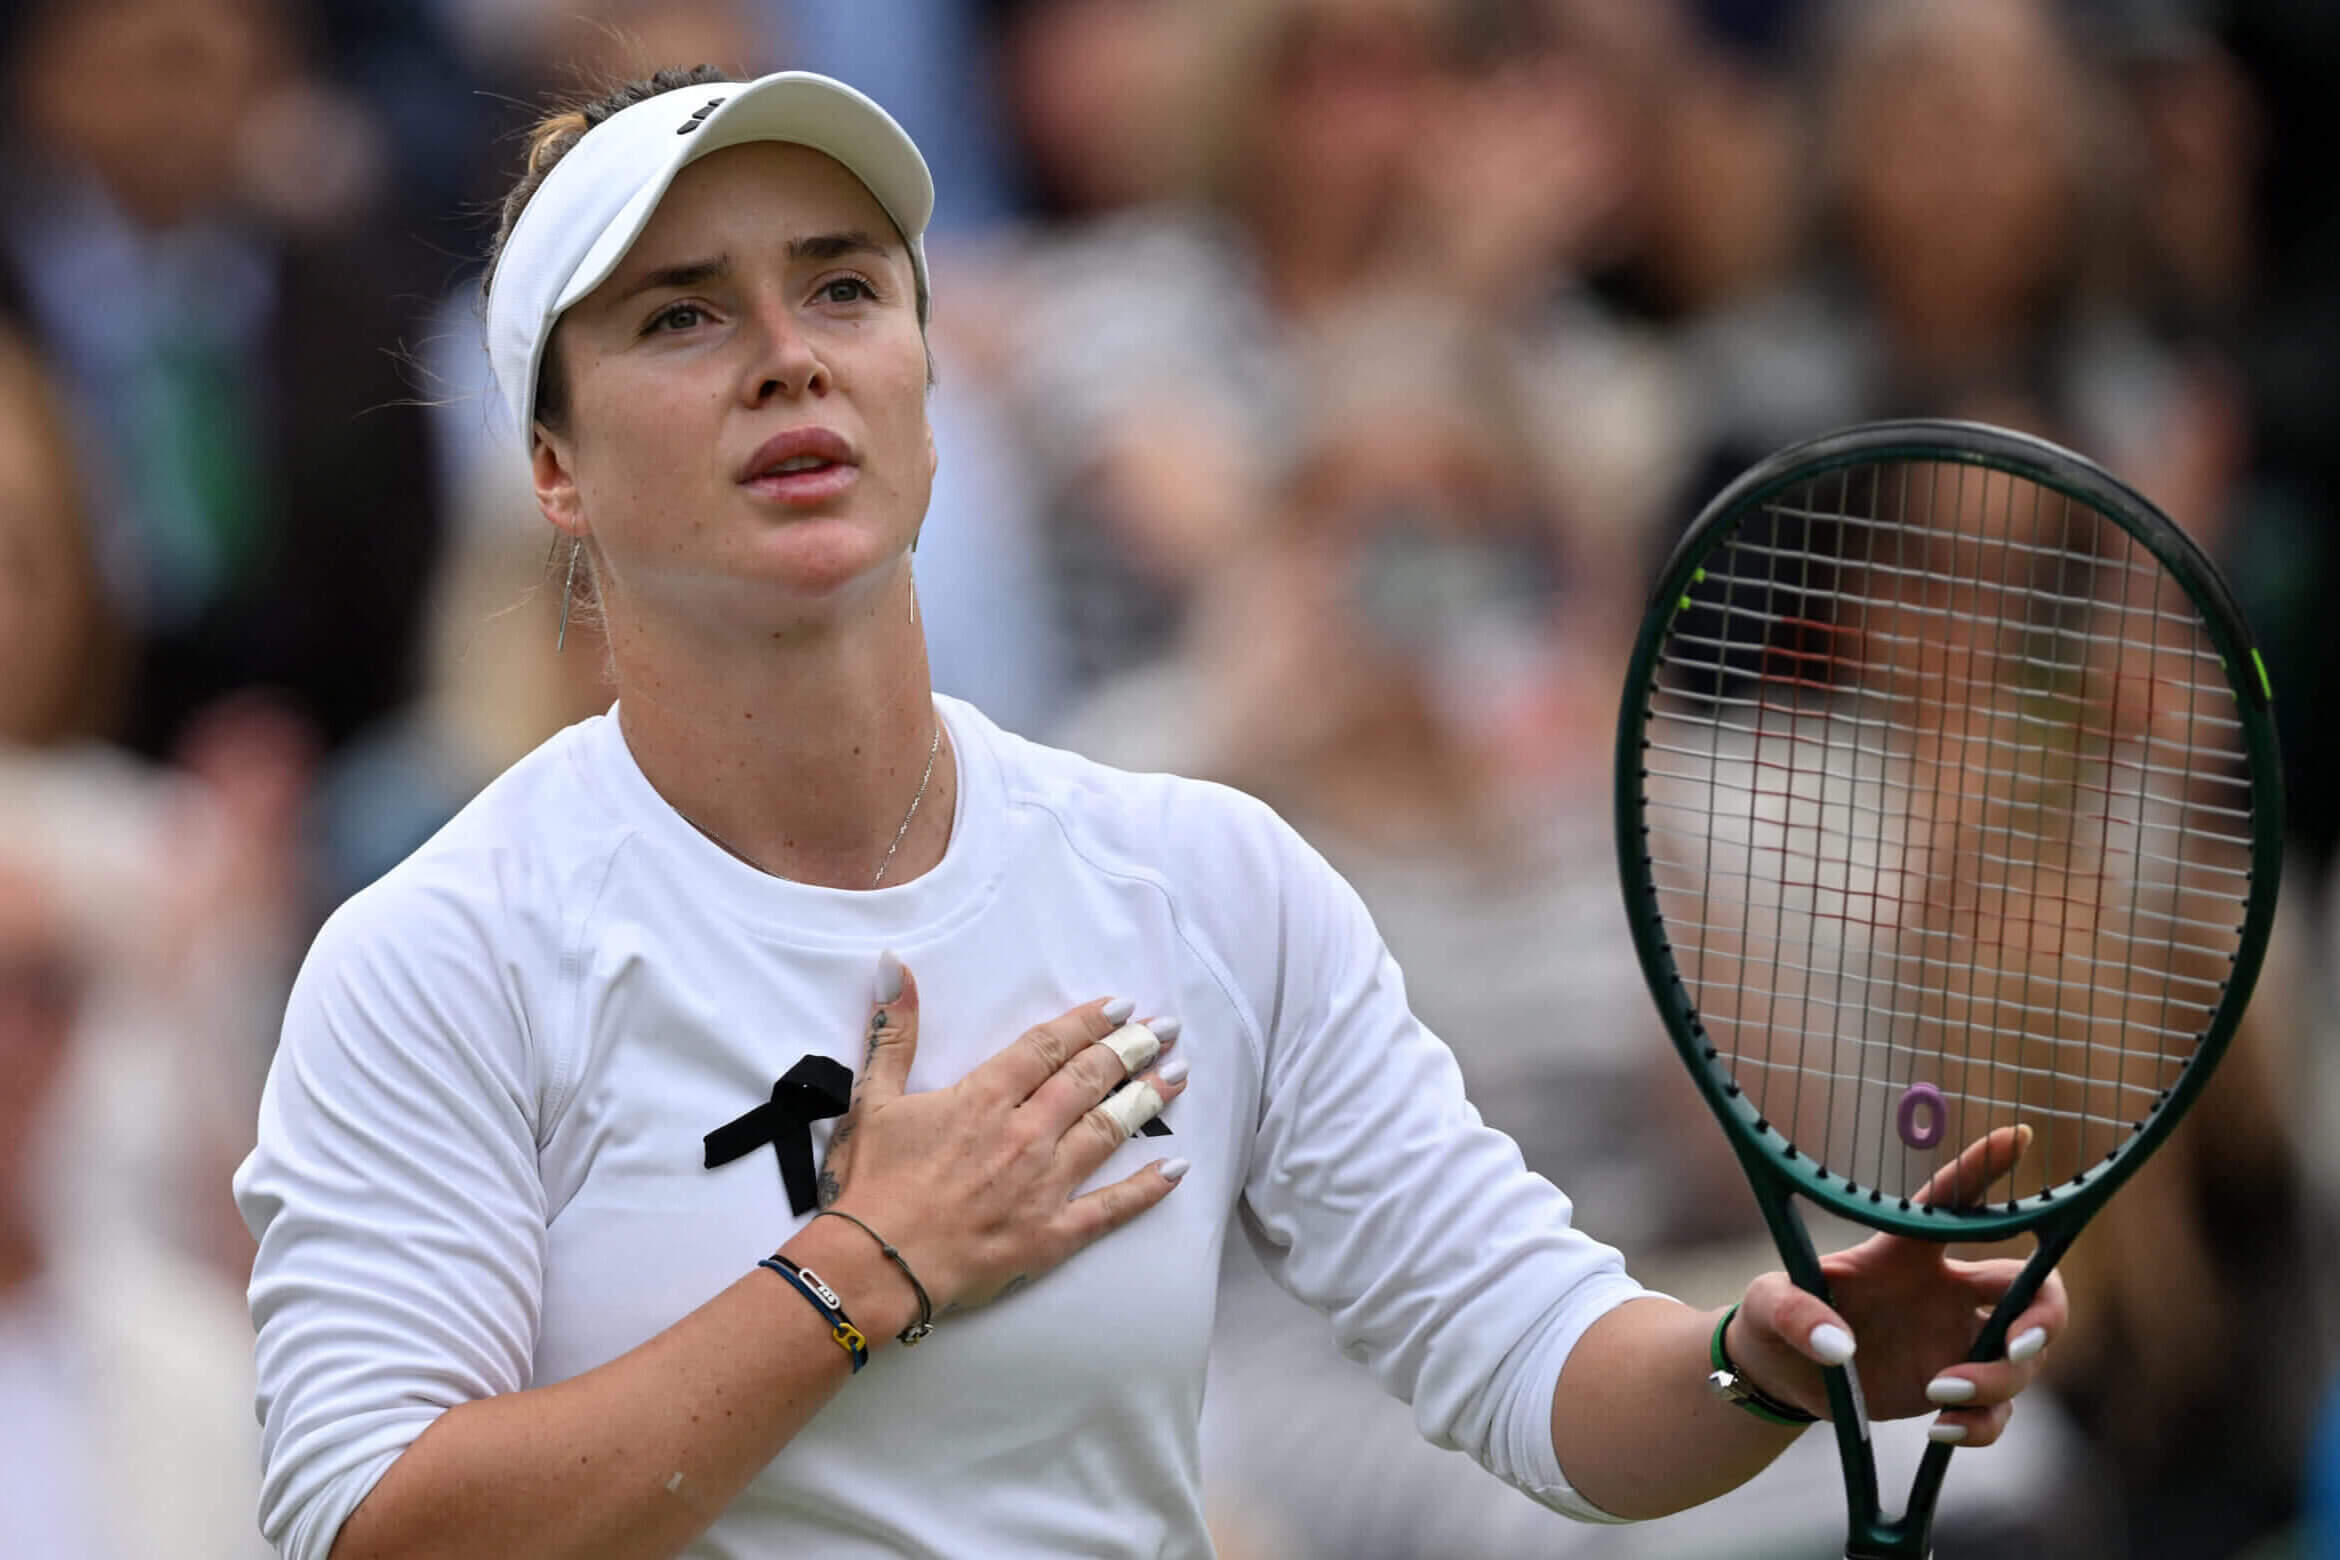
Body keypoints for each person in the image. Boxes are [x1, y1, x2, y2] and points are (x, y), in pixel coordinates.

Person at [233, 66, 2066, 1560]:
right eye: (682, 316)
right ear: (552, 466)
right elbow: (362, 1534)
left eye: (845, 286)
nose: (788, 355)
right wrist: (862, 1269)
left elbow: (1526, 1360)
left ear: (928, 382)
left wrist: (1771, 1362)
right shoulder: (439, 957)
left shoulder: (1204, 879)